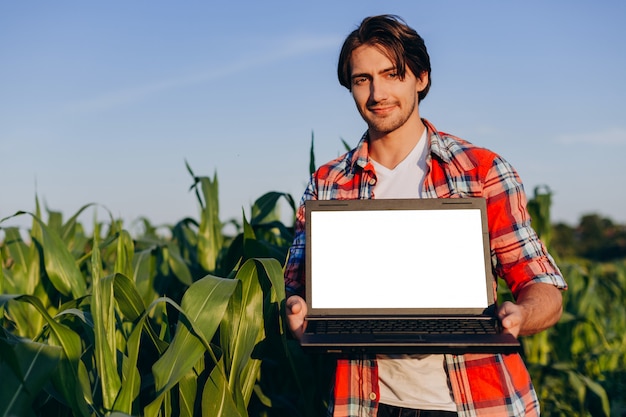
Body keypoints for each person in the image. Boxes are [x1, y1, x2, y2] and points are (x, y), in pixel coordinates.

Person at [284, 14, 567, 417]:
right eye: (362, 79)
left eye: (391, 74)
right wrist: (297, 311)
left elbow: (543, 287)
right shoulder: (327, 182)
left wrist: (521, 314)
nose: (377, 92)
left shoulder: (481, 170)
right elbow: (296, 287)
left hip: (479, 402)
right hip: (365, 404)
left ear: (421, 78)